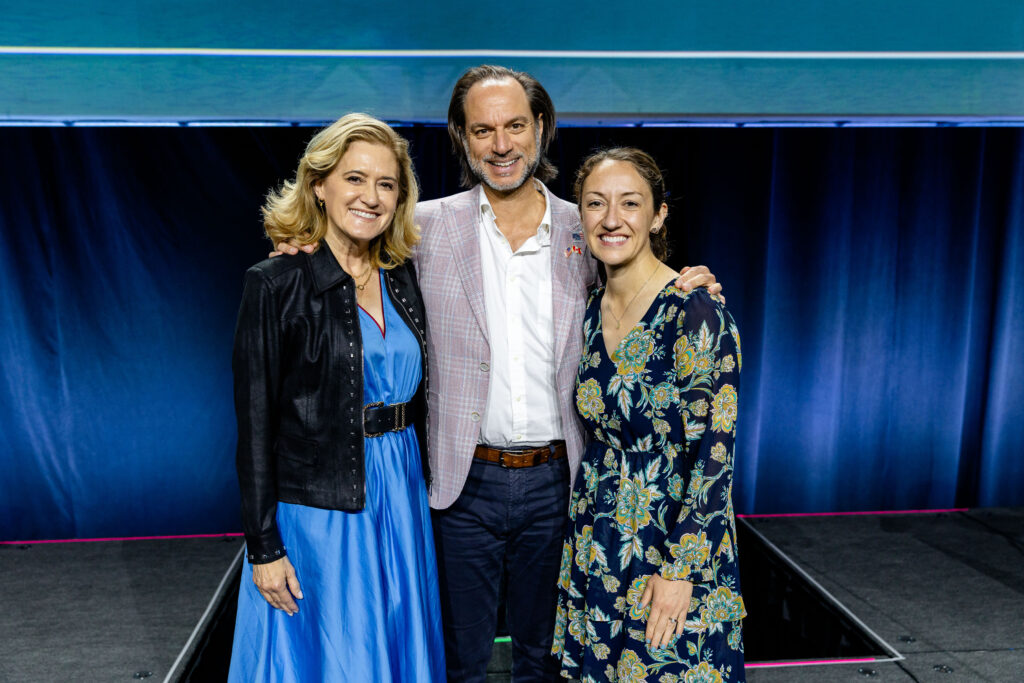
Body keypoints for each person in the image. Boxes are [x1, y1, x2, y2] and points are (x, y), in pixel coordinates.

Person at [275, 65, 723, 682]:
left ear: (539, 127)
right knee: (460, 660)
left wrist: (687, 284)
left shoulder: (586, 225)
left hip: (561, 485)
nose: (501, 143)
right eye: (483, 130)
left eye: (515, 125)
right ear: (461, 137)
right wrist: (299, 248)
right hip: (464, 485)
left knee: (546, 658)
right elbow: (347, 249)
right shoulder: (421, 228)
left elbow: (639, 280)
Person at [230, 113, 444, 682]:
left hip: (400, 492)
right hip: (321, 509)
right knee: (335, 655)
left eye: (386, 184)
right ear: (319, 185)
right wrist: (264, 547)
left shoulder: (403, 275)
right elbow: (253, 427)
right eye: (354, 179)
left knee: (396, 642)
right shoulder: (275, 283)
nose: (370, 197)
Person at [552, 148, 745, 682]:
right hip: (598, 537)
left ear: (658, 214)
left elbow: (716, 455)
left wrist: (680, 571)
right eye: (596, 203)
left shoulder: (696, 310)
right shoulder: (590, 307)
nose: (611, 219)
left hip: (670, 542)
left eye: (630, 203)